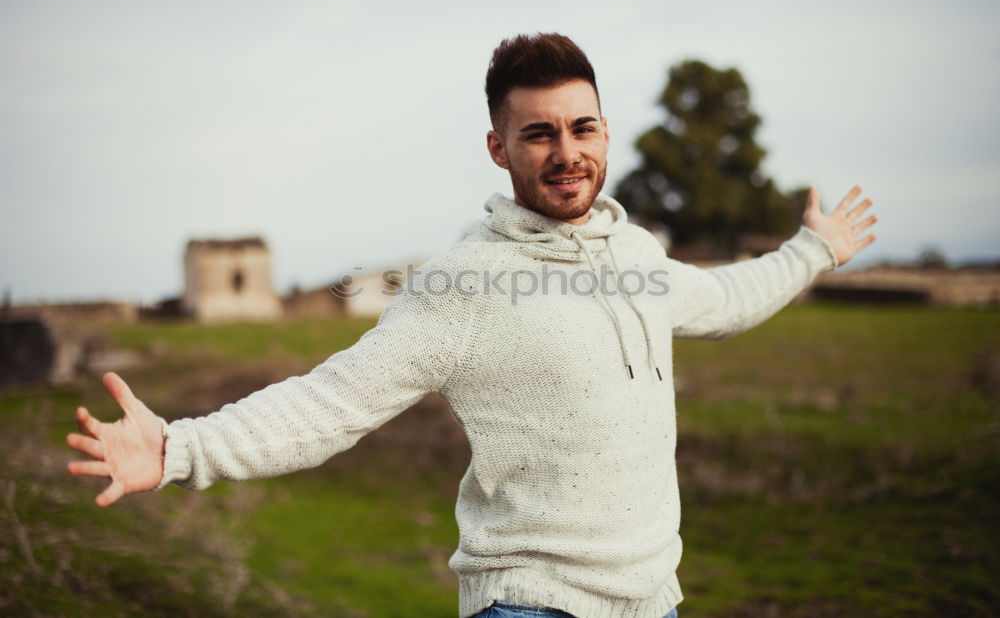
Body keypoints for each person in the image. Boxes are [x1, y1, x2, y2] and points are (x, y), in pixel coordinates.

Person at [66, 33, 877, 618]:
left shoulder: (635, 252)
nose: (567, 152)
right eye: (539, 133)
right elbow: (332, 402)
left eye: (582, 127)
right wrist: (179, 448)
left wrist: (813, 250)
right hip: (533, 606)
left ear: (604, 131)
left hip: (653, 598)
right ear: (499, 147)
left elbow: (729, 301)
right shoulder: (465, 283)